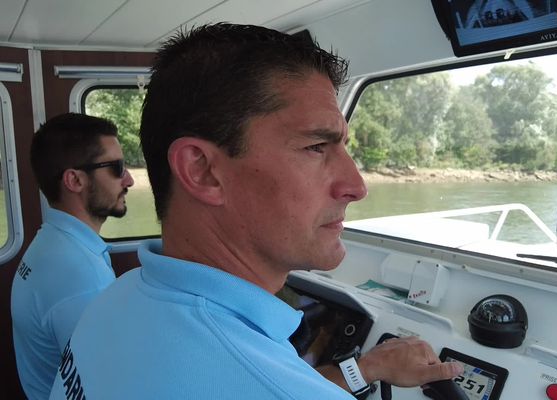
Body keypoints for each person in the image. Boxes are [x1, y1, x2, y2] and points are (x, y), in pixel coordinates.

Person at [49, 24, 461, 400]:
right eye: (316, 147)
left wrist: (364, 369)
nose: (356, 186)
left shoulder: (118, 299)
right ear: (203, 171)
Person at [11, 113, 134, 400]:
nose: (127, 179)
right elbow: (111, 386)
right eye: (116, 167)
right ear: (75, 180)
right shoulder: (79, 275)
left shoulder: (53, 244)